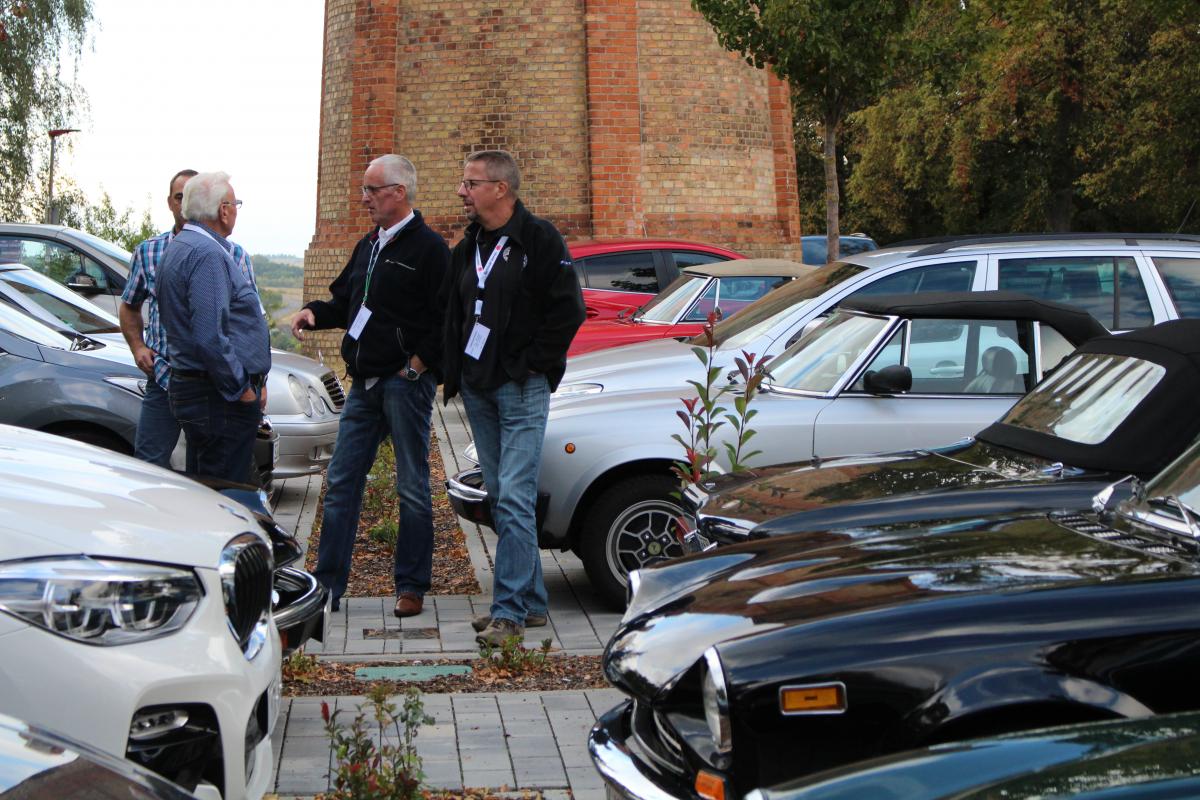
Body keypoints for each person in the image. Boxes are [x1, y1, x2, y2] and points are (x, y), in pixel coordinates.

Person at [292, 154, 450, 617]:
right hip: (363, 385)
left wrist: (417, 365)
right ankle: (327, 588)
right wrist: (314, 312)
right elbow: (345, 300)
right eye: (364, 190)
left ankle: (411, 586)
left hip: (405, 384)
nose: (364, 198)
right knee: (341, 482)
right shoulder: (369, 244)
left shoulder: (429, 249)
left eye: (372, 190)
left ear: (399, 193)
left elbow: (446, 319)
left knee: (412, 486)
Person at [442, 150, 585, 647]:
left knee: (516, 496)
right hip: (478, 386)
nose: (461, 191)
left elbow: (568, 311)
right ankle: (533, 601)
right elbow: (455, 312)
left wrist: (532, 364)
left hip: (522, 387)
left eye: (471, 183)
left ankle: (508, 614)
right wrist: (453, 369)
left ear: (501, 188)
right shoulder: (470, 245)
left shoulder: (540, 239)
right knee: (502, 495)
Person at [119, 169, 259, 468]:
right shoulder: (161, 251)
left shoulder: (232, 254)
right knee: (152, 464)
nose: (184, 204)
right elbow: (209, 336)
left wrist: (258, 380)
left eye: (189, 196)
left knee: (203, 467)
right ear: (170, 202)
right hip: (171, 374)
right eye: (179, 197)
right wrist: (138, 347)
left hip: (209, 382)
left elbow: (248, 323)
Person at [157, 171, 270, 482]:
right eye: (235, 203)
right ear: (223, 210)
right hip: (218, 399)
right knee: (225, 491)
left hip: (202, 392)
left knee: (206, 485)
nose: (235, 210)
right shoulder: (206, 254)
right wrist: (242, 390)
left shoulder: (182, 245)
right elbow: (210, 337)